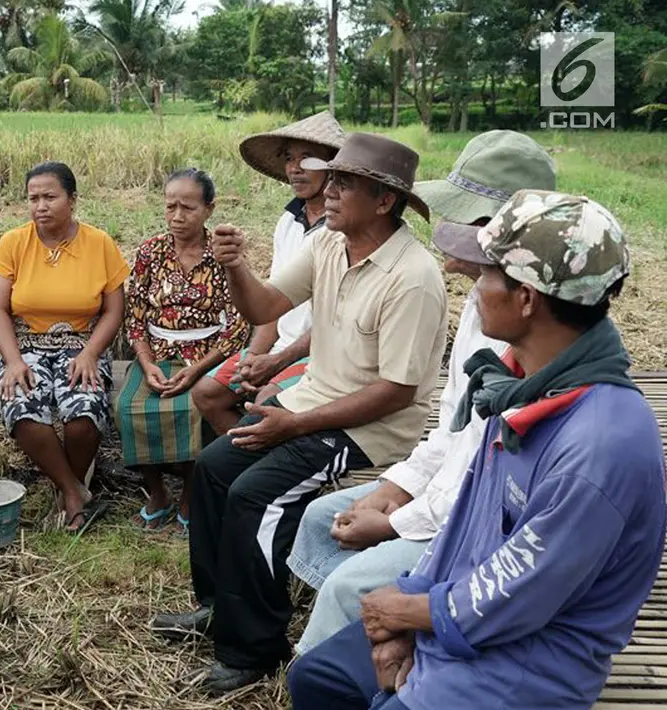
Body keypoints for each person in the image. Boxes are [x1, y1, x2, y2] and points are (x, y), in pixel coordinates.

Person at [288, 190, 665, 710]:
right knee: (317, 679)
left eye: (486, 275)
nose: (474, 290)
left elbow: (524, 593)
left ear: (526, 298)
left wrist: (410, 615)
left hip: (523, 666)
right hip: (458, 622)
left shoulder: (599, 446)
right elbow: (466, 527)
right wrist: (408, 605)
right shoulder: (520, 388)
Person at [153, 132, 448, 695]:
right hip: (313, 399)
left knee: (255, 497)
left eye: (344, 184)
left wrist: (293, 423)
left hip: (370, 428)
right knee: (216, 465)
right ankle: (217, 606)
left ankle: (255, 648)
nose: (328, 192)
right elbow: (264, 306)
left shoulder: (413, 277)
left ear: (384, 202)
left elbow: (397, 392)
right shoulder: (327, 245)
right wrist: (236, 267)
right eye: (330, 180)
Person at [287, 130, 559, 653]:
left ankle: (346, 655)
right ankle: (360, 643)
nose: (445, 229)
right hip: (450, 493)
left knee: (351, 581)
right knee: (324, 518)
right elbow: (455, 431)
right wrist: (398, 488)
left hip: (486, 526)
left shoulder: (535, 335)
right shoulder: (483, 309)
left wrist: (396, 521)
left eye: (466, 219)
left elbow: (494, 483)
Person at [0, 162, 130, 532]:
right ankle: (73, 492)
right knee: (24, 408)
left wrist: (90, 353)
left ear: (72, 200)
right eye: (33, 198)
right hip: (26, 345)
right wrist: (13, 360)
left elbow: (115, 311)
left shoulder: (99, 244)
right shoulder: (14, 242)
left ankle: (68, 488)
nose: (40, 206)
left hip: (81, 345)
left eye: (50, 196)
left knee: (83, 413)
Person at [192, 111, 344, 435]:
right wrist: (257, 354)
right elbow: (273, 303)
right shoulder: (288, 220)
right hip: (282, 349)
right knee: (207, 393)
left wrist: (278, 361)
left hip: (323, 356)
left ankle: (262, 469)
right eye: (289, 158)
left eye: (308, 158)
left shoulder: (343, 232)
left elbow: (336, 323)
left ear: (333, 165)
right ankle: (245, 461)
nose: (294, 167)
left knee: (264, 401)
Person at [117, 168, 249, 535]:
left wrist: (196, 371)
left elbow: (236, 328)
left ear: (209, 209)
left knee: (192, 409)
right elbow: (136, 319)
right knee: (129, 407)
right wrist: (146, 365)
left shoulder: (222, 255)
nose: (177, 216)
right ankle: (157, 495)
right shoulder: (151, 251)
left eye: (188, 208)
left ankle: (192, 496)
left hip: (206, 355)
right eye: (170, 206)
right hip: (157, 354)